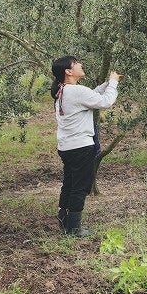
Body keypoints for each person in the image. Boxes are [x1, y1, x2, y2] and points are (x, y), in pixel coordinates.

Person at [50, 56, 121, 237]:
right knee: (80, 187)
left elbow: (91, 95)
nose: (81, 64)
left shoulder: (63, 91)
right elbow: (105, 102)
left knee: (69, 184)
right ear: (68, 71)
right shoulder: (75, 91)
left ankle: (64, 222)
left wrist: (107, 84)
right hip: (81, 147)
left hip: (67, 147)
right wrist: (112, 84)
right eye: (76, 63)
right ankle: (74, 229)